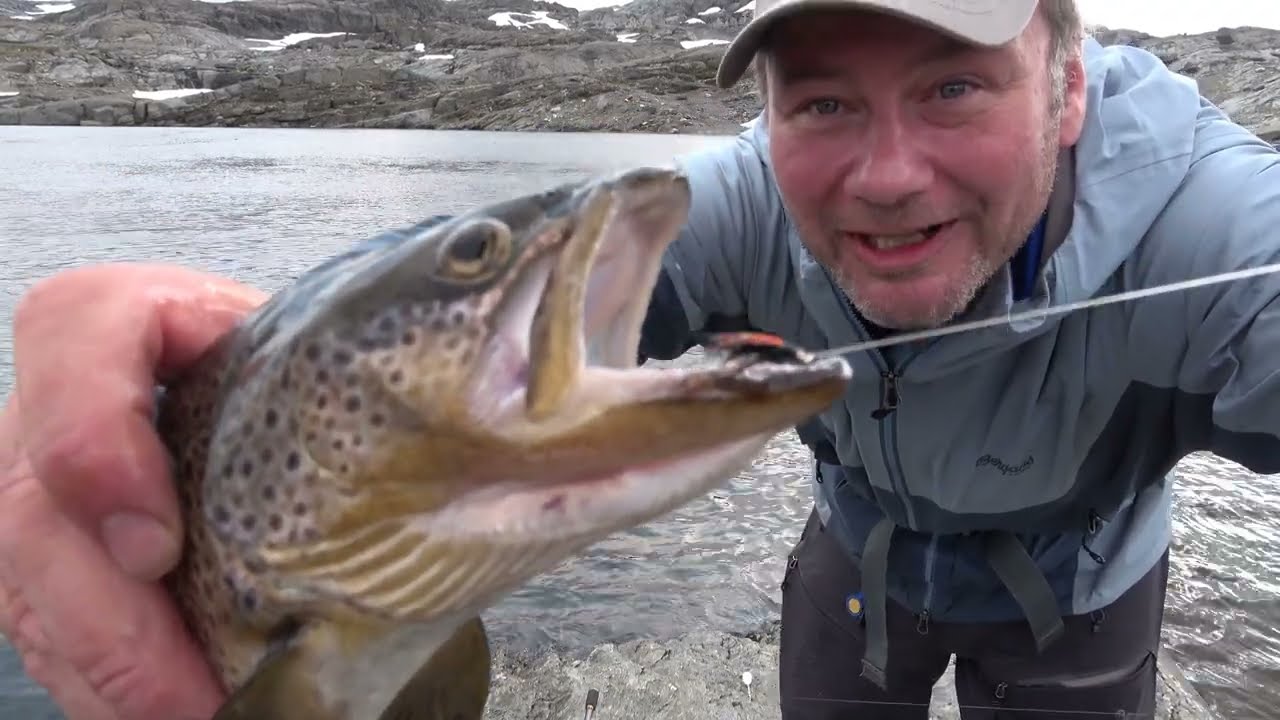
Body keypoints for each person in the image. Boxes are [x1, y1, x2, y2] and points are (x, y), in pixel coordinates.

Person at [2, 0, 1279, 717]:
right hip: (862, 560)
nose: (886, 176)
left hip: (1080, 586)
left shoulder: (1217, 235)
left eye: (954, 88)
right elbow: (429, 299)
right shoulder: (737, 203)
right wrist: (226, 358)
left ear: (1066, 87)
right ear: (769, 114)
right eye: (822, 100)